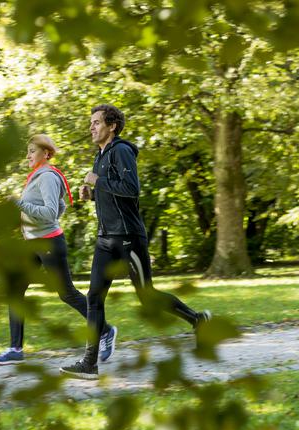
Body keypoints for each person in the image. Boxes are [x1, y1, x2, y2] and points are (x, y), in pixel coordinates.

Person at [59, 104, 211, 379]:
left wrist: (98, 181)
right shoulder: (100, 155)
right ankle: (89, 363)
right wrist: (91, 194)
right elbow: (111, 192)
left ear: (112, 126)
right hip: (106, 239)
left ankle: (198, 319)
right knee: (94, 298)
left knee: (147, 296)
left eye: (96, 122)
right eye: (90, 123)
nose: (91, 127)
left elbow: (132, 189)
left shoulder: (122, 151)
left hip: (129, 238)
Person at [0, 134, 117, 365]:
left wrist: (19, 203)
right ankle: (15, 349)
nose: (28, 155)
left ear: (46, 154)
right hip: (35, 242)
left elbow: (50, 212)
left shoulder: (47, 176)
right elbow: (59, 206)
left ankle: (105, 330)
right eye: (27, 151)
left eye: (32, 151)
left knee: (66, 293)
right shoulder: (40, 175)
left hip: (48, 243)